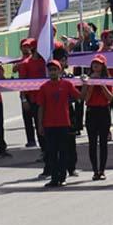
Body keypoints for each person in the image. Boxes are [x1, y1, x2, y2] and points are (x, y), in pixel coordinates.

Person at [39, 60, 79, 188]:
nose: (52, 72)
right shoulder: (44, 87)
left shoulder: (67, 84)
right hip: (49, 124)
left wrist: (86, 84)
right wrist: (40, 125)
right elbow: (41, 107)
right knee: (51, 152)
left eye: (55, 70)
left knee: (63, 152)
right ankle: (54, 178)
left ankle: (62, 177)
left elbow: (80, 97)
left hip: (63, 123)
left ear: (60, 71)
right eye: (50, 70)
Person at [80, 55, 113, 180]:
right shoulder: (87, 79)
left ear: (103, 66)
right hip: (91, 111)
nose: (95, 66)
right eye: (94, 63)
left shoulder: (108, 80)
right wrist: (91, 83)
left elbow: (110, 97)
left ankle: (102, 170)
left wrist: (101, 83)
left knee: (103, 143)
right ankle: (95, 170)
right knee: (92, 143)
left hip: (104, 111)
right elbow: (85, 98)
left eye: (98, 64)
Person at [15, 38, 45, 148]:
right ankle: (37, 144)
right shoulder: (25, 63)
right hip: (31, 98)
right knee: (35, 122)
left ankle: (46, 147)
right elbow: (22, 83)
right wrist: (23, 99)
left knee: (43, 123)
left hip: (44, 97)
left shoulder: (45, 62)